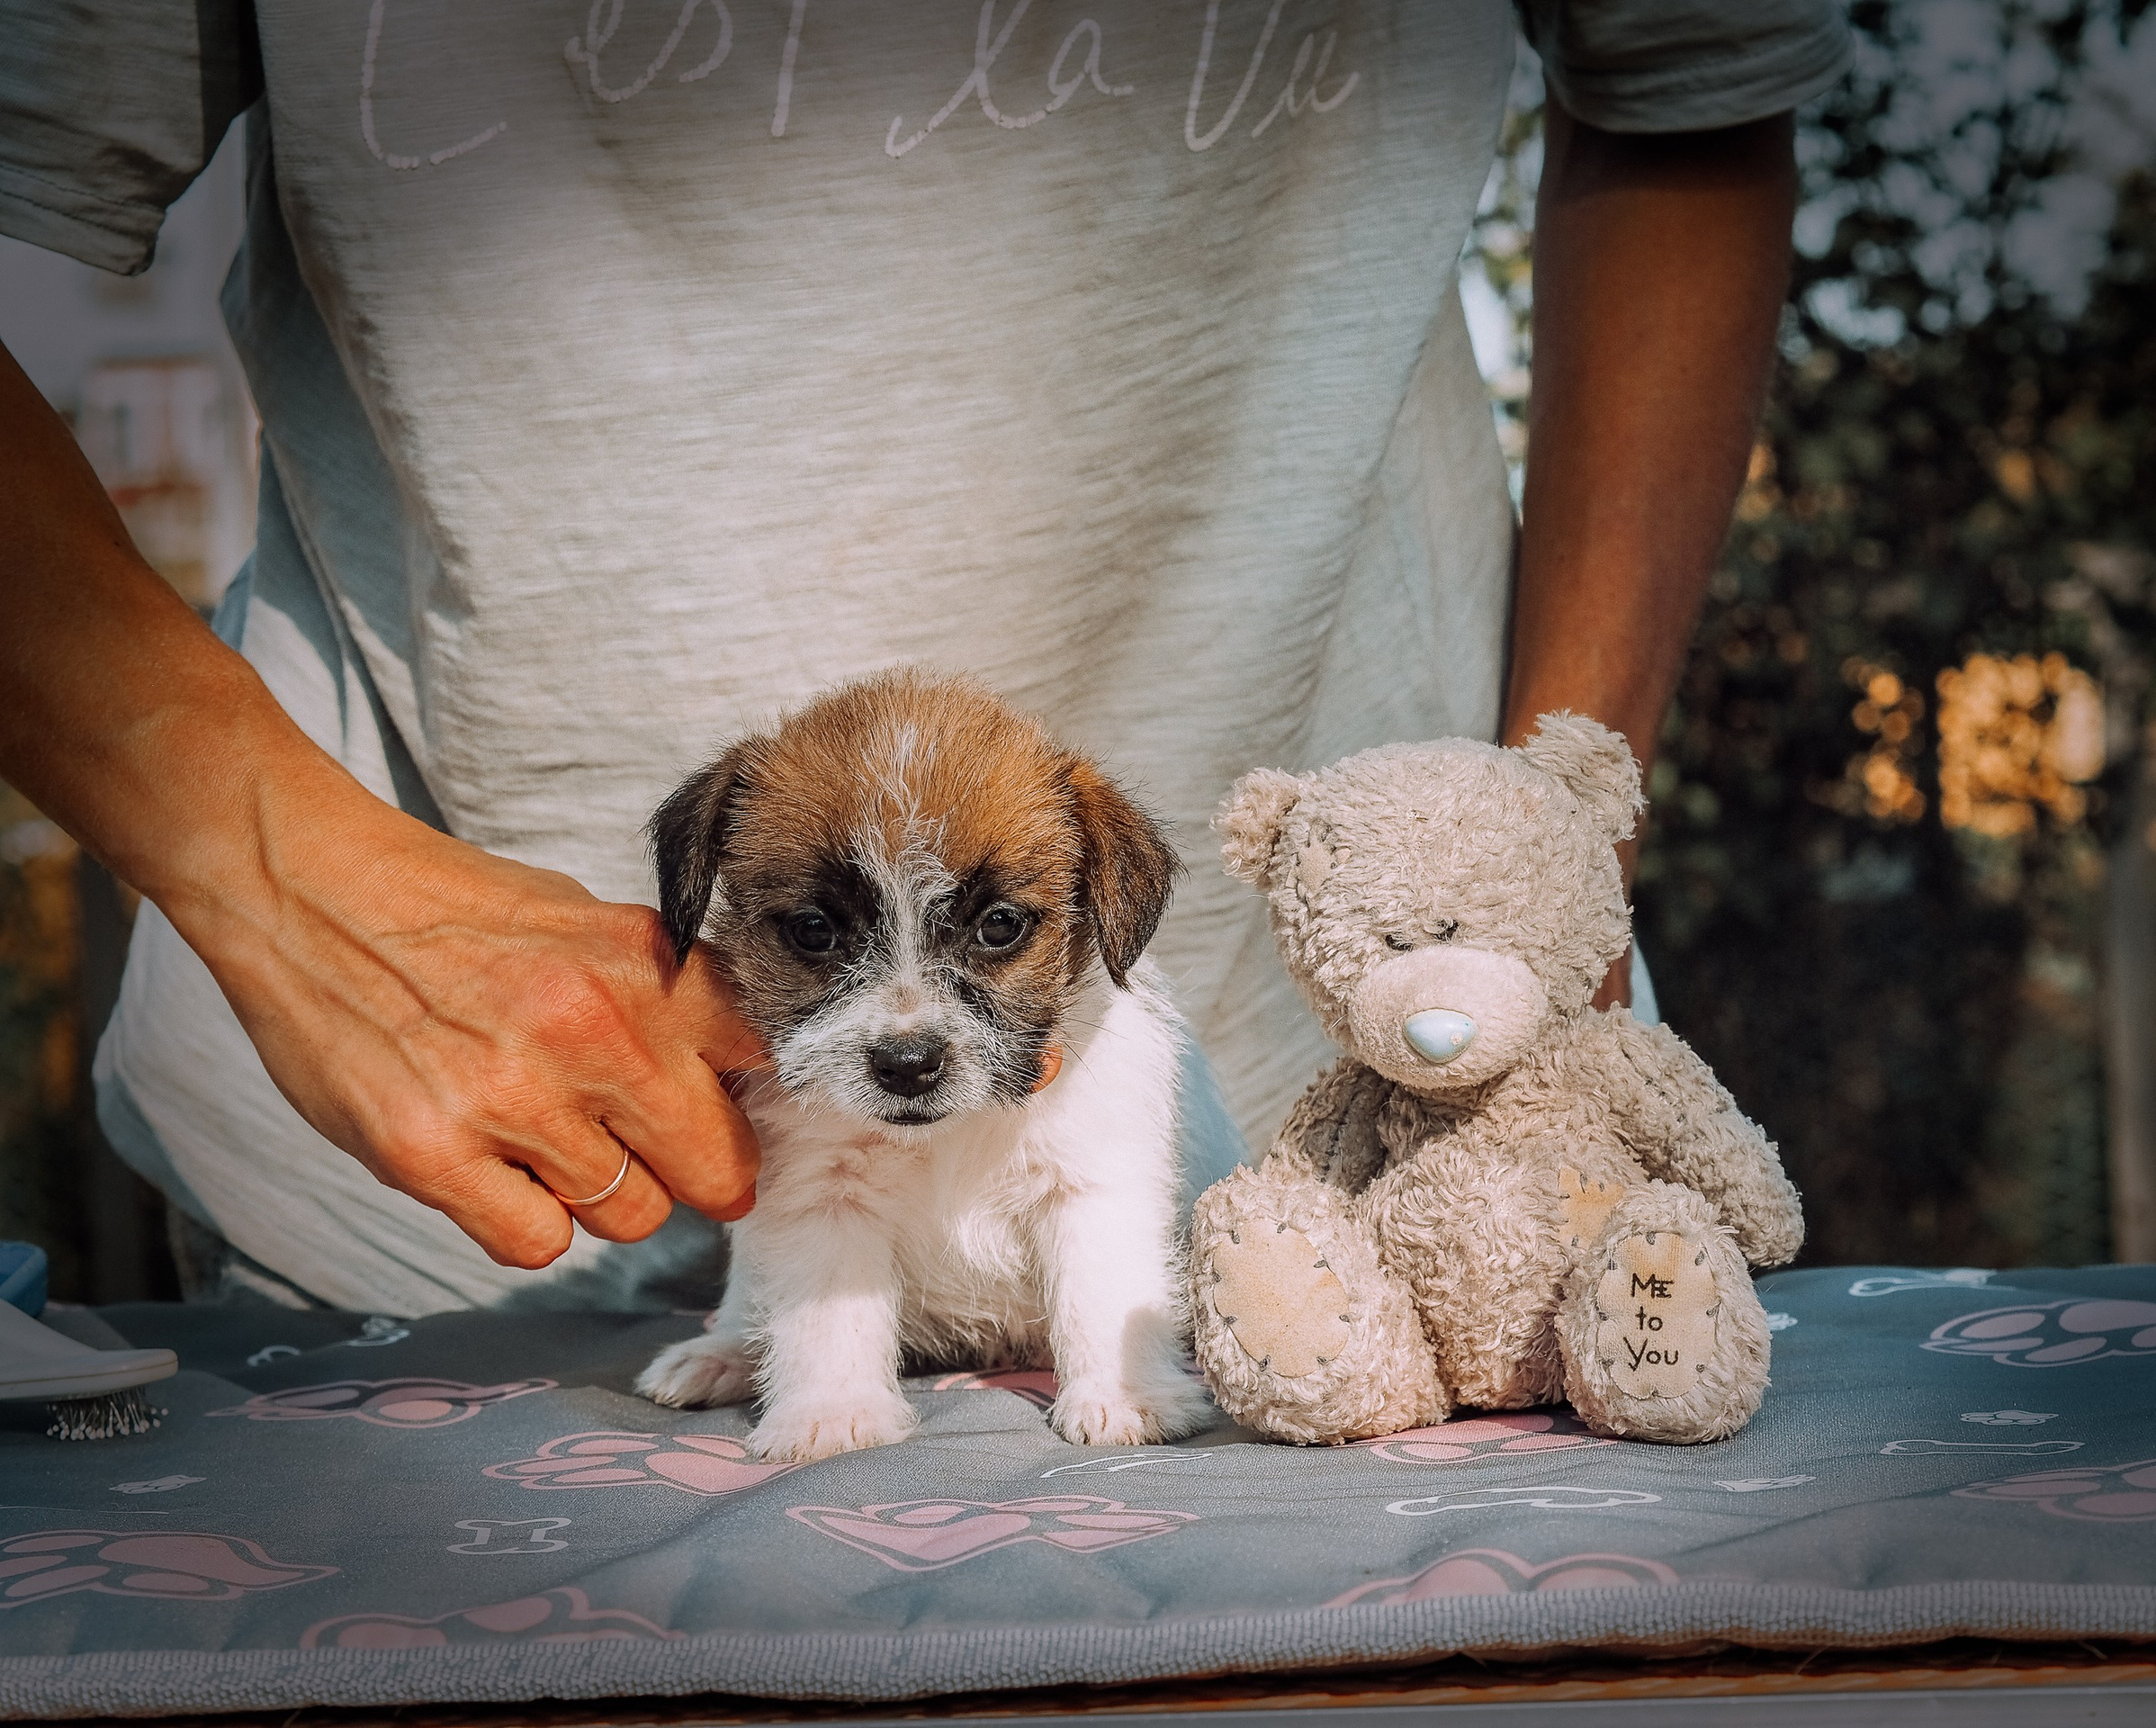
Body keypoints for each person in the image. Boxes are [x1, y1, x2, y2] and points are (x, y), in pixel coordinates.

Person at [0, 2, 1846, 1316]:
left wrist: (1547, 836)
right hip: (449, 1189)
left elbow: (1688, 88)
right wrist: (277, 870)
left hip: (1353, 1129)